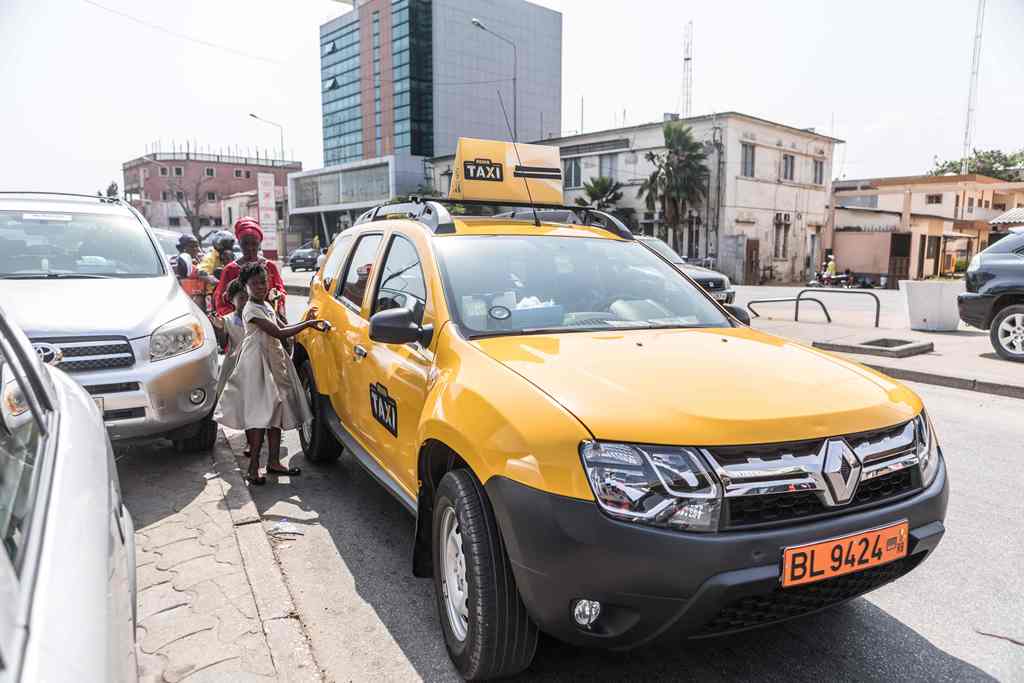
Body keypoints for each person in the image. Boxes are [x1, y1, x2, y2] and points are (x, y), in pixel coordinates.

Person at [214, 261, 331, 485]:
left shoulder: (266, 305)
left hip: (274, 361)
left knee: (276, 412)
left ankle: (274, 462)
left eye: (263, 282)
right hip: (257, 364)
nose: (260, 287)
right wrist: (308, 324)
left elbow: (283, 327)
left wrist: (305, 322)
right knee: (260, 416)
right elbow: (277, 332)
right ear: (245, 285)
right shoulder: (251, 309)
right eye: (255, 283)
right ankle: (252, 468)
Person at [214, 218, 286, 317]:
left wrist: (276, 299)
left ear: (259, 244)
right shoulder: (230, 270)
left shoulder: (270, 267)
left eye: (254, 244)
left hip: (269, 319)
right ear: (239, 243)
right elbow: (221, 301)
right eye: (245, 244)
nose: (250, 248)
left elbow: (280, 293)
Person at [174, 234, 216, 310]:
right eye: (192, 246)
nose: (196, 249)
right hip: (188, 302)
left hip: (204, 299)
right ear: (181, 248)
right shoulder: (177, 262)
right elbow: (195, 272)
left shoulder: (201, 260)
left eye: (197, 246)